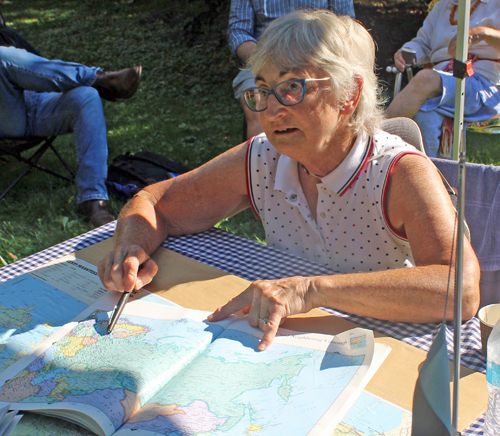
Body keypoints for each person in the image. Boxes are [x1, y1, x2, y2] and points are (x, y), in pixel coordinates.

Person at [98, 10, 480, 351]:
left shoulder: (399, 171)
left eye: (293, 86)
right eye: (262, 90)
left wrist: (311, 289)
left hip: (382, 349)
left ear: (350, 93)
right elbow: (155, 203)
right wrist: (131, 248)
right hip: (285, 344)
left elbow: (460, 290)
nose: (273, 109)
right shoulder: (263, 156)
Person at [0, 30, 141, 227]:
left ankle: (93, 200)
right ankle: (96, 78)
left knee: (86, 96)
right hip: (7, 119)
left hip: (28, 99)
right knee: (1, 57)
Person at [386, 0, 500, 157]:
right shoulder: (443, 5)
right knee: (425, 116)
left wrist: (482, 33)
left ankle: (374, 144)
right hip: (441, 85)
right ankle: (432, 174)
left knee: (426, 78)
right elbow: (423, 44)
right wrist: (406, 54)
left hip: (480, 84)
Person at [228, 0, 356, 139]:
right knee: (259, 104)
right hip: (262, 62)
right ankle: (264, 158)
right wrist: (269, 60)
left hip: (317, 61)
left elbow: (347, 27)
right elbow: (238, 32)